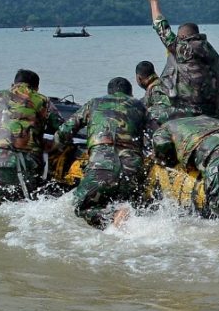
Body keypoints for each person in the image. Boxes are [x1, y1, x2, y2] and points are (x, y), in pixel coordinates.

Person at [55, 78, 149, 230]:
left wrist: (58, 149)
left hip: (101, 167)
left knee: (80, 206)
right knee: (135, 203)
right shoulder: (140, 106)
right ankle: (124, 219)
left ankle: (113, 215)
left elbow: (64, 132)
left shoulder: (94, 103)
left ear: (108, 92)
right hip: (133, 168)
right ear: (130, 93)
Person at [0, 69, 64, 207]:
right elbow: (60, 127)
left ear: (13, 84)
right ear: (36, 87)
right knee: (26, 207)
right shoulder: (42, 100)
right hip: (27, 163)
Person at [146, 0, 219, 119]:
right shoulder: (211, 51)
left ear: (182, 37)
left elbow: (161, 28)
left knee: (150, 114)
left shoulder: (186, 48)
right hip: (215, 112)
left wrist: (153, 1)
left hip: (192, 111)